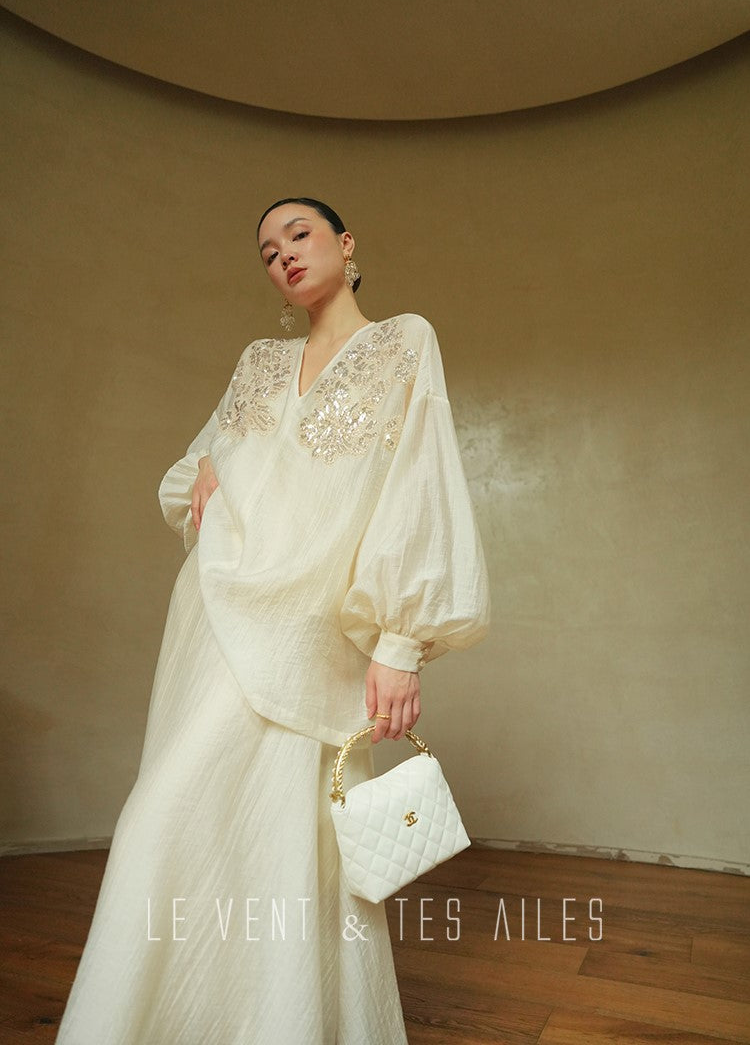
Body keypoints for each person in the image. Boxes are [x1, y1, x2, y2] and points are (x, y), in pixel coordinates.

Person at [55, 197, 491, 1044]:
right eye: (266, 251)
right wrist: (204, 473)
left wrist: (401, 642)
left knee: (292, 836)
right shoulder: (259, 360)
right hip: (216, 613)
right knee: (170, 816)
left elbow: (418, 488)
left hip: (314, 633)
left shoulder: (404, 342)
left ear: (346, 244)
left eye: (299, 234)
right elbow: (199, 465)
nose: (283, 254)